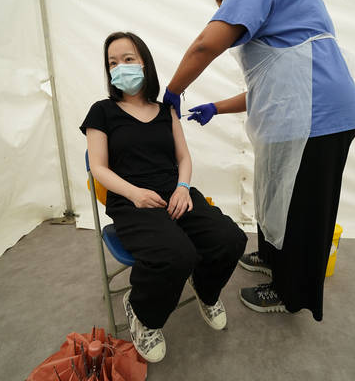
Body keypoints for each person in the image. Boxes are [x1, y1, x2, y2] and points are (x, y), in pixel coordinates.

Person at [161, 0, 355, 322]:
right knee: (276, 197)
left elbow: (203, 47)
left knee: (303, 207)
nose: (225, 8)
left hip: (317, 116)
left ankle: (291, 293)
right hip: (296, 118)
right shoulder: (279, 18)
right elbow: (264, 89)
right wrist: (215, 106)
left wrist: (174, 90)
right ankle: (274, 259)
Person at [80, 32, 247, 363]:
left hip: (175, 192)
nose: (120, 67)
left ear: (144, 63)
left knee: (231, 239)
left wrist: (183, 189)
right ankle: (142, 312)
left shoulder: (164, 110)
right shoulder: (102, 112)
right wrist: (134, 193)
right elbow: (98, 168)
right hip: (131, 200)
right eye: (112, 62)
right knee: (177, 255)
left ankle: (206, 288)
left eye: (128, 59)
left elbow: (183, 158)